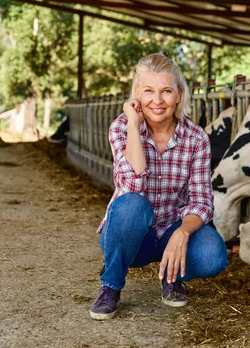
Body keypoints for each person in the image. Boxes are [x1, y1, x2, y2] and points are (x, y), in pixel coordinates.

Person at [90, 53, 228, 320]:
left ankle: (171, 276)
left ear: (179, 95)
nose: (157, 100)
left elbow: (201, 201)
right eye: (149, 91)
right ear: (137, 95)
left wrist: (182, 234)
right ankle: (110, 286)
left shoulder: (196, 137)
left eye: (166, 91)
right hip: (130, 232)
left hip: (170, 227)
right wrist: (133, 124)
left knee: (214, 256)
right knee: (132, 204)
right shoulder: (121, 128)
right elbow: (132, 185)